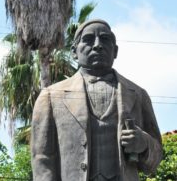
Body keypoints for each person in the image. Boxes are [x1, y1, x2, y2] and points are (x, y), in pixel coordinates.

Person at [31, 19, 162, 181]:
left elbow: (156, 158)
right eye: (88, 39)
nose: (97, 45)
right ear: (74, 51)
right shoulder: (51, 96)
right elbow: (42, 157)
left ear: (115, 51)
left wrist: (144, 144)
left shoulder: (138, 94)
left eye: (105, 39)